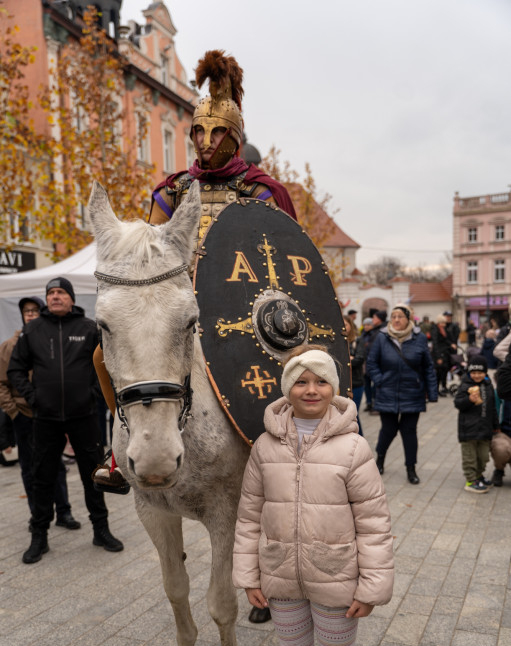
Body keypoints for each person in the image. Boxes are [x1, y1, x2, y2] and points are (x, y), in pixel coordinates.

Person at [92, 48, 296, 495]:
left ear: (234, 137)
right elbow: (153, 249)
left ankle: (289, 447)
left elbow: (283, 259)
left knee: (292, 363)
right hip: (179, 302)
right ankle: (117, 449)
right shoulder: (173, 190)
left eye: (216, 131)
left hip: (246, 306)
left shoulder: (261, 191)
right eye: (198, 131)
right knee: (102, 355)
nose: (205, 140)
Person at [232, 345, 394, 646]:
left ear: (333, 388)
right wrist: (249, 576)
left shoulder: (354, 448)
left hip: (336, 578)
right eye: (301, 381)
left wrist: (372, 586)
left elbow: (374, 523)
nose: (311, 389)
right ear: (287, 388)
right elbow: (249, 515)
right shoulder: (265, 446)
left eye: (320, 380)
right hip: (281, 576)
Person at [8, 277, 123, 564]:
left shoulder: (88, 329)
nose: (55, 297)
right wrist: (33, 398)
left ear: (71, 298)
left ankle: (101, 529)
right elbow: (15, 370)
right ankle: (40, 536)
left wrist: (94, 394)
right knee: (42, 477)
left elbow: (109, 363)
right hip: (45, 419)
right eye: (51, 293)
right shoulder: (32, 330)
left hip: (83, 417)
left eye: (61, 292)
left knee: (93, 476)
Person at [0, 297, 78, 529]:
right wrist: (15, 412)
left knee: (56, 466)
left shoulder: (51, 340)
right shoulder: (9, 346)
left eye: (35, 310)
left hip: (51, 415)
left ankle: (64, 512)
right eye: (27, 311)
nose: (31, 314)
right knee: (30, 467)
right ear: (22, 315)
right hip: (25, 415)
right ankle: (37, 515)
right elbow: (2, 383)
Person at [366, 304, 438, 484]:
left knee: (409, 431)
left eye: (400, 317)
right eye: (393, 316)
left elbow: (428, 366)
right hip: (387, 391)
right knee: (388, 430)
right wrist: (380, 380)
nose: (396, 320)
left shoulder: (419, 338)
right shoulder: (382, 337)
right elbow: (371, 363)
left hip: (412, 391)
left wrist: (432, 391)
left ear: (408, 319)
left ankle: (411, 468)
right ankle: (380, 459)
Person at [454, 355, 499, 493]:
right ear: (469, 373)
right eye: (473, 373)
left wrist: (495, 426)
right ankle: (470, 480)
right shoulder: (465, 385)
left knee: (483, 457)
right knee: (470, 457)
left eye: (480, 373)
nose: (477, 375)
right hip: (468, 429)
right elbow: (458, 403)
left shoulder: (488, 385)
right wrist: (469, 399)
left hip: (485, 429)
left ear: (485, 373)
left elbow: (492, 408)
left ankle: (479, 476)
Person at [344, 315, 365, 435]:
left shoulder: (357, 340)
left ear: (350, 326)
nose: (344, 327)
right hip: (342, 383)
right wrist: (350, 358)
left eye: (346, 325)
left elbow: (360, 359)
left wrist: (347, 360)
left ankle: (359, 438)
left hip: (356, 382)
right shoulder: (335, 340)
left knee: (354, 413)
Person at [431, 314, 457, 396]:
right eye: (443, 323)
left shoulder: (443, 329)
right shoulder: (435, 330)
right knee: (438, 372)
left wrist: (451, 344)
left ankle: (444, 387)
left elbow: (446, 340)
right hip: (439, 354)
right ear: (439, 322)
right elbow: (435, 344)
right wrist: (438, 357)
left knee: (444, 371)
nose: (445, 324)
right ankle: (436, 389)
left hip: (445, 353)